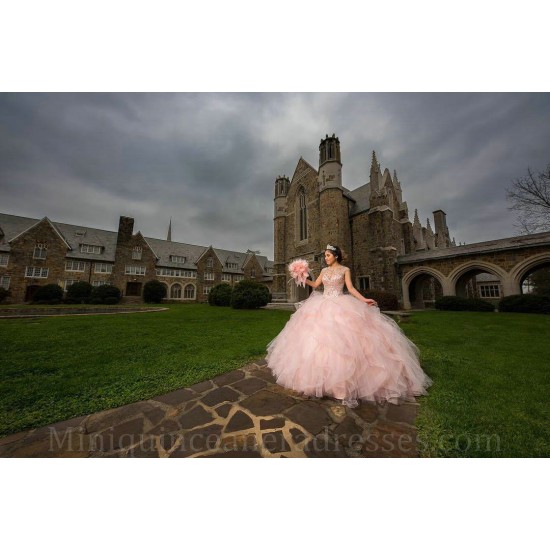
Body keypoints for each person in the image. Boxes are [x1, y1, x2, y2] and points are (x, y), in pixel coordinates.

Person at [265, 244, 433, 408]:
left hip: (340, 303)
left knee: (347, 340)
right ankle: (320, 380)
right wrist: (302, 277)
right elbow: (316, 286)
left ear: (336, 256)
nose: (325, 258)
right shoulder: (323, 271)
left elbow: (351, 288)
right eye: (324, 256)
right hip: (322, 303)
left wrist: (364, 299)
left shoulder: (345, 270)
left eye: (328, 255)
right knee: (318, 341)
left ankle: (346, 383)